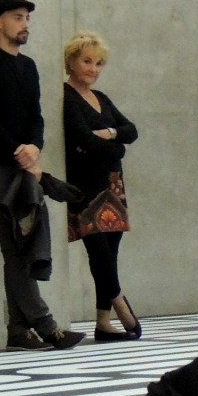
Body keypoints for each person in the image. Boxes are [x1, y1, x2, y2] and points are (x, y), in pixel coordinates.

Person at [0, 0, 83, 351]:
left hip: (22, 167)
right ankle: (46, 325)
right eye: (17, 17)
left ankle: (18, 330)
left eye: (27, 18)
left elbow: (36, 116)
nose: (25, 24)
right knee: (15, 244)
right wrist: (19, 150)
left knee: (21, 244)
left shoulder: (28, 67)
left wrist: (34, 147)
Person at [62, 31, 143, 341]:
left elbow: (130, 130)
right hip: (86, 186)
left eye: (98, 63)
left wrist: (110, 135)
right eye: (87, 61)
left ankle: (103, 323)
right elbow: (83, 140)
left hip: (112, 185)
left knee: (110, 252)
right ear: (71, 62)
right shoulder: (66, 96)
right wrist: (116, 145)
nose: (93, 69)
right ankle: (119, 301)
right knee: (99, 253)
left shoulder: (102, 98)